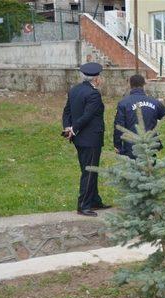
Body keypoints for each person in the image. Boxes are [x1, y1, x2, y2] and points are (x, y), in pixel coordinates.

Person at [61, 62, 109, 217]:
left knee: (89, 170)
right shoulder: (94, 94)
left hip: (80, 138)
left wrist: (68, 127)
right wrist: (73, 129)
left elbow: (67, 111)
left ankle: (94, 200)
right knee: (89, 171)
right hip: (90, 138)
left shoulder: (75, 90)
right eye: (100, 77)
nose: (101, 79)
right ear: (96, 79)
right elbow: (87, 116)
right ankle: (83, 205)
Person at [113, 74, 165, 159]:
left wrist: (117, 145)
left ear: (130, 85)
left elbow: (119, 126)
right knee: (150, 170)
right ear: (144, 85)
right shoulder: (154, 102)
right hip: (150, 146)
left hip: (130, 146)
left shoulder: (123, 103)